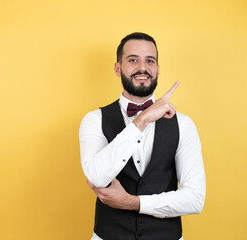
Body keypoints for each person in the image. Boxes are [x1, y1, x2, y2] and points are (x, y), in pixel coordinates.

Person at [79, 32, 206, 240]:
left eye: (150, 61)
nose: (143, 68)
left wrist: (133, 202)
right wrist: (142, 120)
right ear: (118, 68)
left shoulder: (184, 125)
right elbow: (96, 176)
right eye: (132, 60)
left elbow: (195, 199)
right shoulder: (93, 120)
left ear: (157, 69)